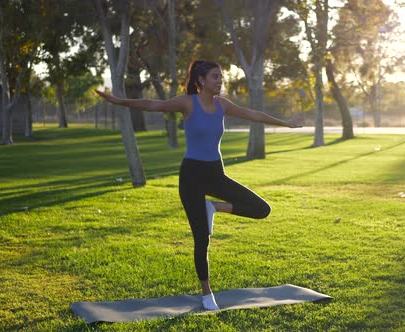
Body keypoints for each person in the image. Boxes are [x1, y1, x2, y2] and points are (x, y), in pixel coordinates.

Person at [95, 60, 302, 311]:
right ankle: (206, 292)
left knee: (261, 209)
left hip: (216, 173)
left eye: (221, 76)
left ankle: (214, 206)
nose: (220, 80)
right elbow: (152, 104)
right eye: (215, 76)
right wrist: (120, 101)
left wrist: (287, 123)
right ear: (201, 80)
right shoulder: (187, 102)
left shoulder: (222, 104)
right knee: (201, 238)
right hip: (192, 175)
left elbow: (254, 115)